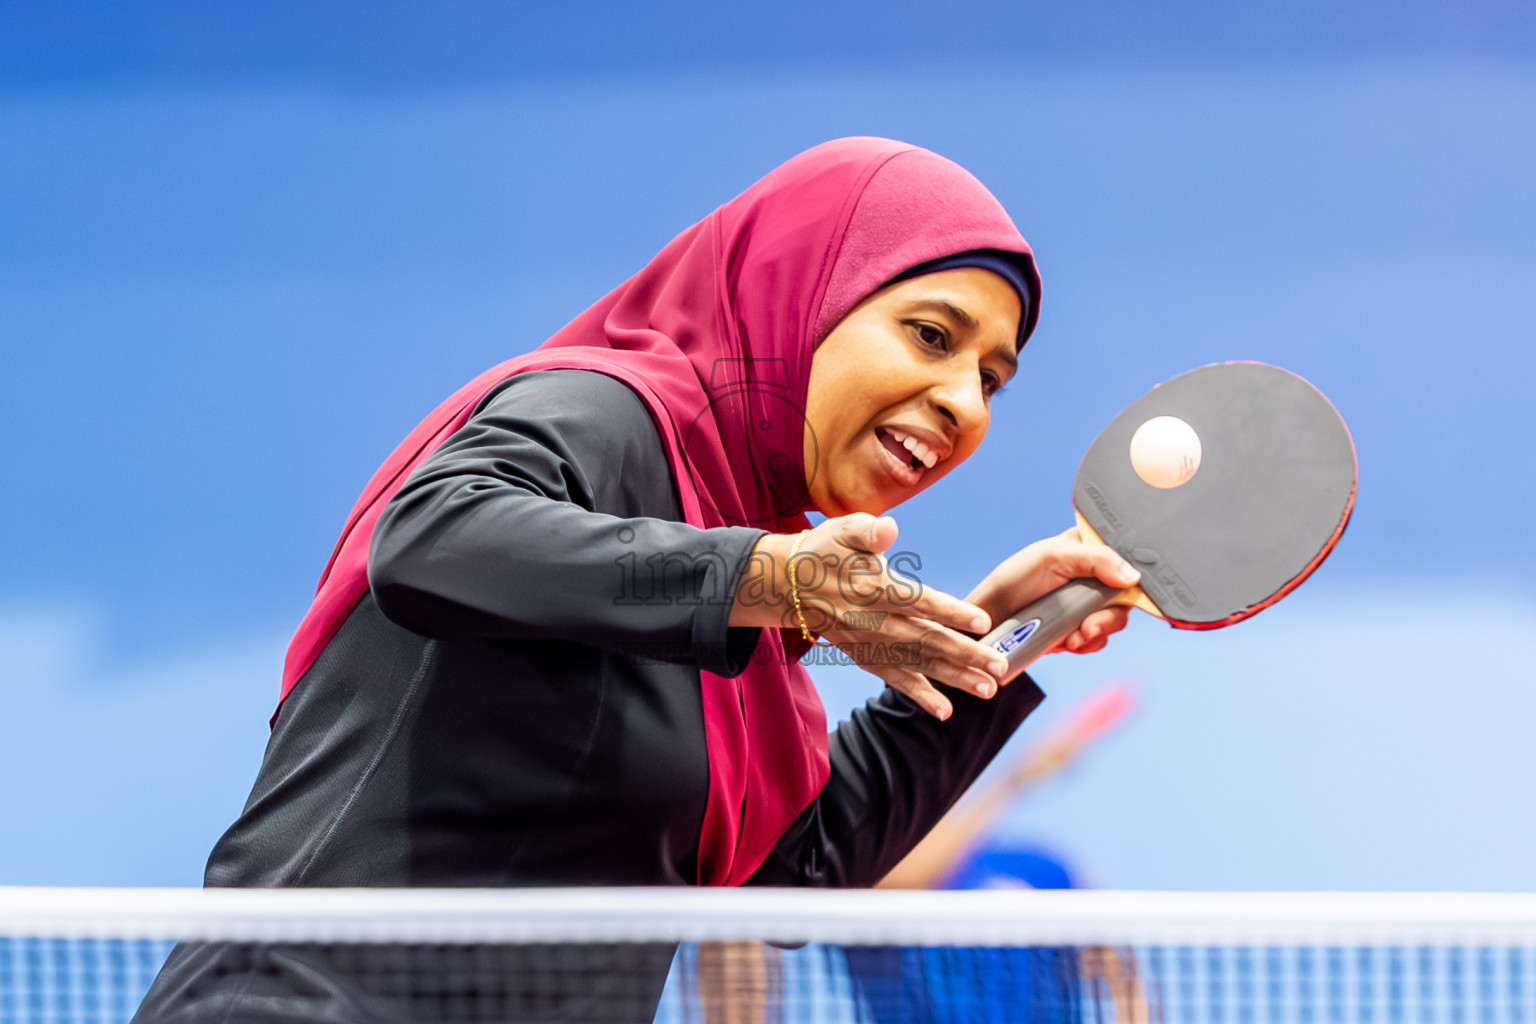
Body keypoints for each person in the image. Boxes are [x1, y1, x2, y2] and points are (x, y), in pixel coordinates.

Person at [131, 136, 1137, 1023]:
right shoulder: (606, 414)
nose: (963, 401)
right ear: (801, 292)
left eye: (993, 378)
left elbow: (790, 873)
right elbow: (432, 539)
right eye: (931, 334)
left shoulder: (741, 576)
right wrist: (770, 580)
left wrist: (1003, 637)